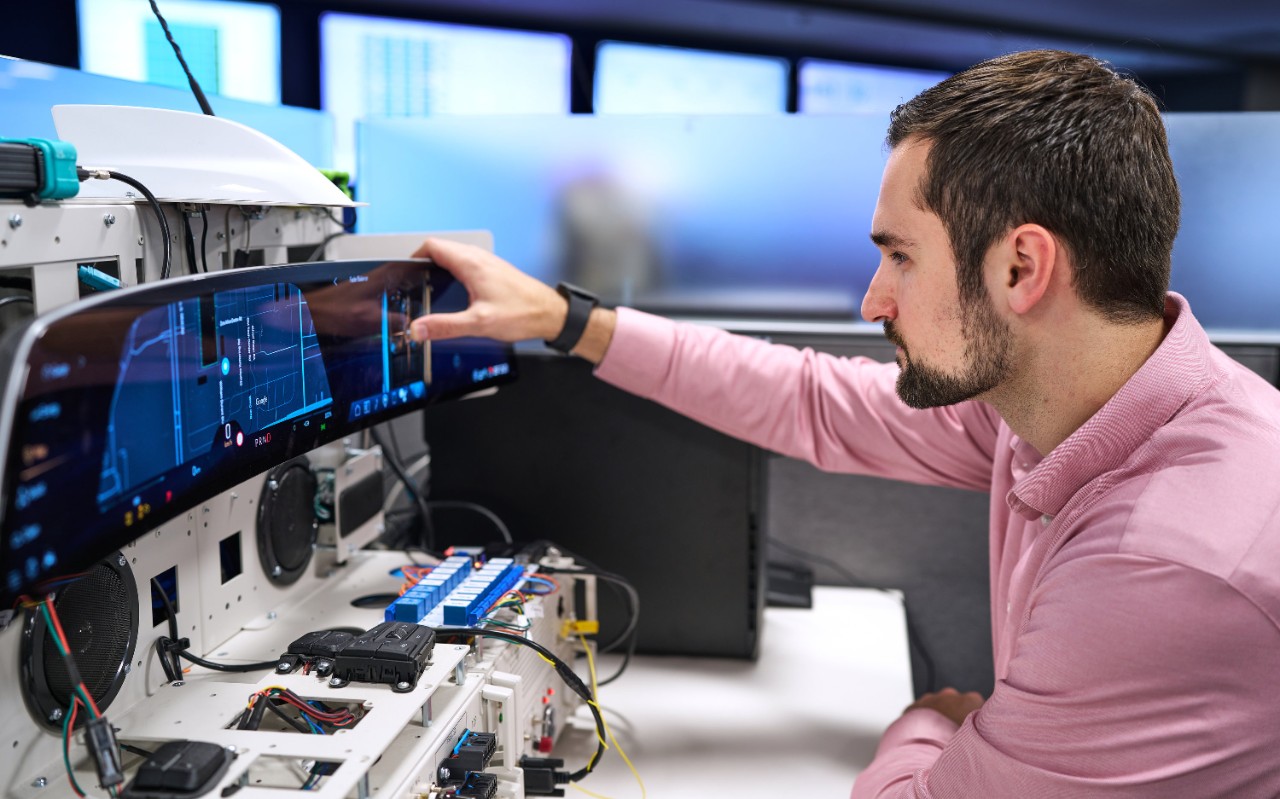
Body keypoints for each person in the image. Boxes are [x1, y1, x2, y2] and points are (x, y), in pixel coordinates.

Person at [407, 50, 1280, 797]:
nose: (873, 302)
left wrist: (926, 721)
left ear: (1021, 266)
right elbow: (812, 400)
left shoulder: (1162, 563)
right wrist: (564, 319)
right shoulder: (1064, 407)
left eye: (900, 255)